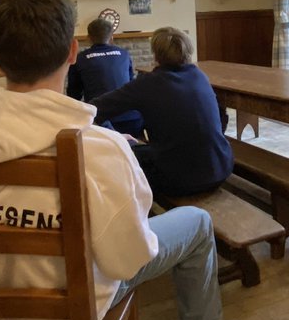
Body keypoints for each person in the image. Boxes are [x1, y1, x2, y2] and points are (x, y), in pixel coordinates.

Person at [0, 0, 243, 320]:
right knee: (196, 222)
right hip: (73, 313)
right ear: (73, 53)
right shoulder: (99, 146)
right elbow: (129, 259)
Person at [92, 26, 233, 198]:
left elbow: (93, 110)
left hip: (177, 179)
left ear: (156, 55)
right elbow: (221, 117)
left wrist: (117, 137)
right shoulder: (199, 76)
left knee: (120, 154)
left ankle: (135, 216)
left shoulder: (147, 84)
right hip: (220, 167)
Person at [66, 17, 143, 137]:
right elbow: (131, 84)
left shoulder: (80, 59)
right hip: (132, 119)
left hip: (101, 121)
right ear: (111, 37)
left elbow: (74, 95)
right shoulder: (124, 54)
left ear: (89, 38)